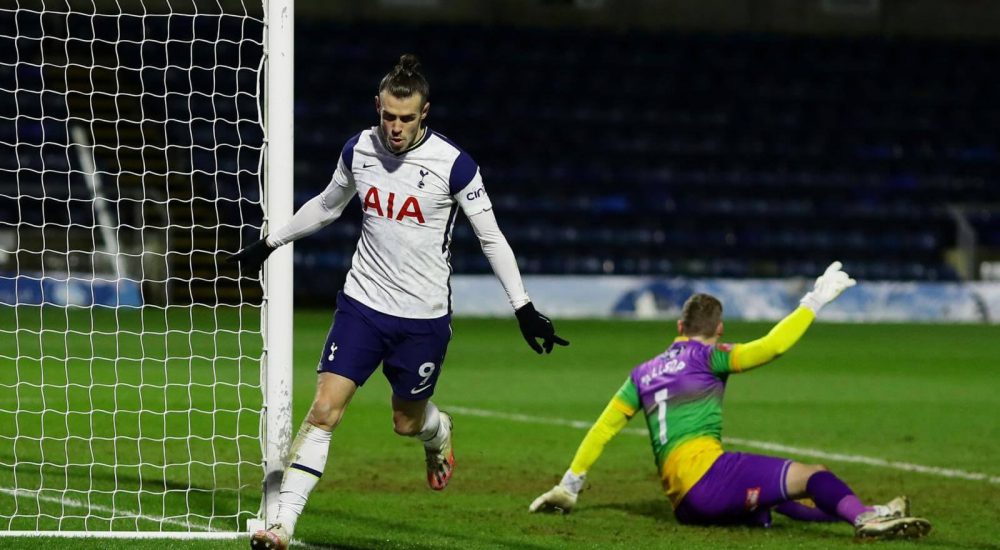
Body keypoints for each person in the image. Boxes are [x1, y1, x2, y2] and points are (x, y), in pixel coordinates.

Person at [230, 54, 569, 550]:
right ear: (378, 107)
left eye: (406, 118)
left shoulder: (455, 165)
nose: (395, 128)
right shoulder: (359, 149)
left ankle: (437, 431)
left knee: (405, 421)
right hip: (362, 305)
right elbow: (327, 205)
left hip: (422, 319)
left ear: (424, 112)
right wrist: (269, 243)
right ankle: (282, 526)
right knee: (323, 410)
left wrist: (523, 307)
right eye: (388, 115)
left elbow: (491, 237)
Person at [528, 262, 931, 541]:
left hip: (685, 505)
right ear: (718, 330)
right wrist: (814, 301)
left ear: (679, 326)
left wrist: (570, 485)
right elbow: (772, 346)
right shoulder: (710, 356)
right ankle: (864, 519)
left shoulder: (642, 373)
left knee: (774, 499)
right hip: (710, 479)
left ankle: (877, 511)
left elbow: (603, 429)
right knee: (813, 476)